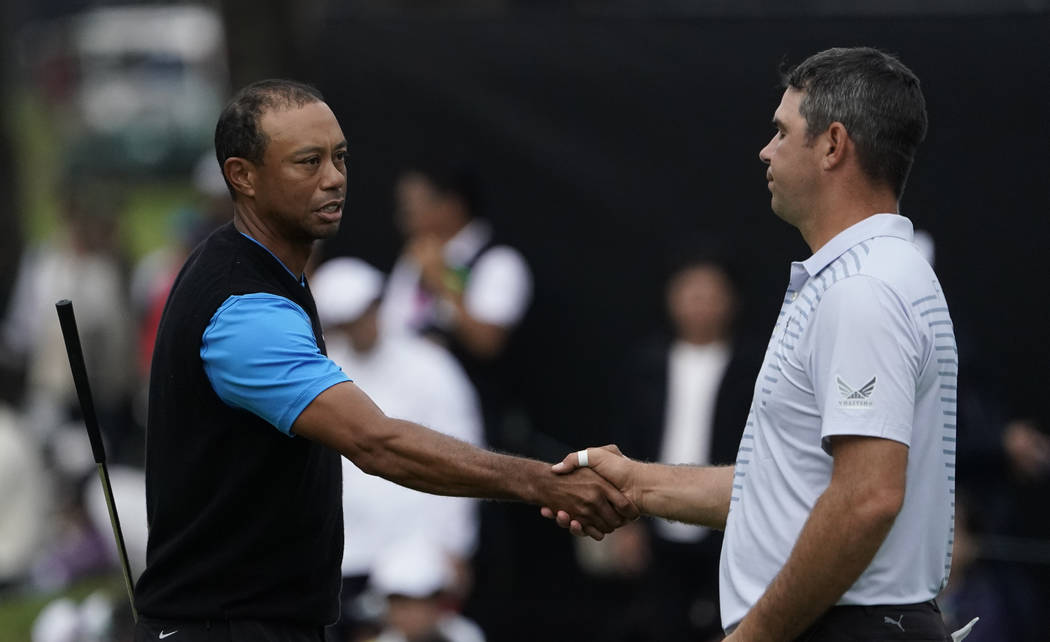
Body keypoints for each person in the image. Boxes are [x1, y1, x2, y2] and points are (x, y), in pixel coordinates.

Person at [132, 79, 636, 642]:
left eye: (340, 157)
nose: (335, 178)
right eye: (308, 161)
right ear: (242, 176)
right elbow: (377, 443)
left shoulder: (259, 273)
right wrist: (546, 483)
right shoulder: (245, 310)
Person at [548, 47, 958, 641]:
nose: (766, 150)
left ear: (832, 145)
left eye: (781, 131)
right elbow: (786, 490)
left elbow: (867, 498)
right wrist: (635, 482)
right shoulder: (876, 274)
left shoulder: (863, 288)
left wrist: (754, 636)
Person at [309, 257, 484, 641]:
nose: (360, 325)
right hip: (345, 554)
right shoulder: (319, 371)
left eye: (365, 311)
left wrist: (453, 543)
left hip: (416, 554)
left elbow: (461, 454)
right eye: (346, 319)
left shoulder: (429, 366)